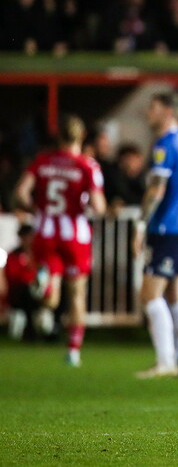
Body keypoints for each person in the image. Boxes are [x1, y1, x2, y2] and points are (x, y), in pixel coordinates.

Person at [14, 115, 107, 367]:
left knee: (52, 297)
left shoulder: (42, 162)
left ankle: (44, 285)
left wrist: (37, 209)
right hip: (75, 234)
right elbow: (98, 206)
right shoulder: (87, 166)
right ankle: (73, 350)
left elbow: (20, 192)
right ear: (82, 136)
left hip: (46, 231)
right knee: (77, 293)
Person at [133, 92, 178, 379]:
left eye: (153, 108)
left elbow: (157, 190)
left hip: (167, 226)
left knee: (149, 294)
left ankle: (166, 361)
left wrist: (140, 224)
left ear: (169, 111)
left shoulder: (166, 144)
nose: (148, 113)